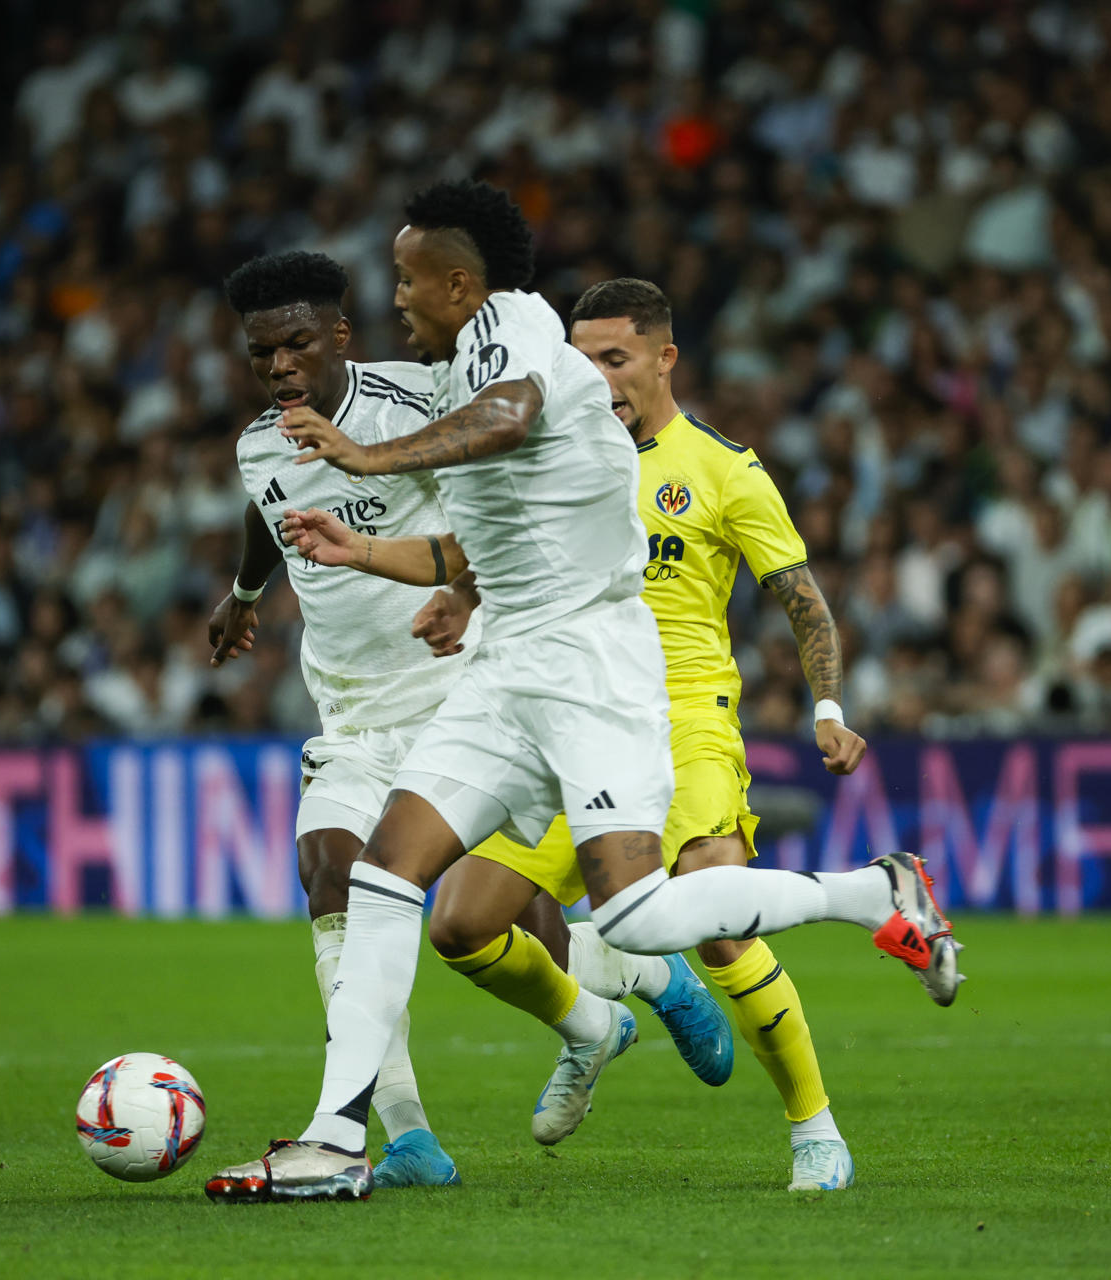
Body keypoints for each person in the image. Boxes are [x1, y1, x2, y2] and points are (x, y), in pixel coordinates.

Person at [208, 180, 961, 1203]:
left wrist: (367, 453)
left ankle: (874, 892)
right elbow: (492, 518)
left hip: (591, 666)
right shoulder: (456, 364)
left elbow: (510, 420)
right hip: (508, 659)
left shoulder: (513, 332)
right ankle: (338, 1138)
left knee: (642, 914)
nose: (397, 298)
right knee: (388, 875)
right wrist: (383, 556)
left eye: (408, 279)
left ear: (462, 282)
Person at [204, 249, 732, 1190]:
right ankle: (403, 1137)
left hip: (463, 697)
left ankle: (637, 985)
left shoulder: (420, 401)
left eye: (293, 345)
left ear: (337, 335)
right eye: (259, 355)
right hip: (354, 720)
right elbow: (268, 508)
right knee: (333, 874)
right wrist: (246, 592)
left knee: (502, 925)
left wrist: (465, 591)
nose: (279, 367)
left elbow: (502, 503)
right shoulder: (258, 444)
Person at [409, 277, 872, 1191]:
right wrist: (457, 600)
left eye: (615, 359)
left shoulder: (724, 469)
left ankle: (815, 1128)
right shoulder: (559, 455)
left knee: (715, 907)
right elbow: (498, 556)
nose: (597, 378)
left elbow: (802, 599)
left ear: (665, 358)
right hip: (571, 710)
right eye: (581, 361)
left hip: (684, 719)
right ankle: (594, 1025)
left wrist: (826, 709)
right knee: (461, 924)